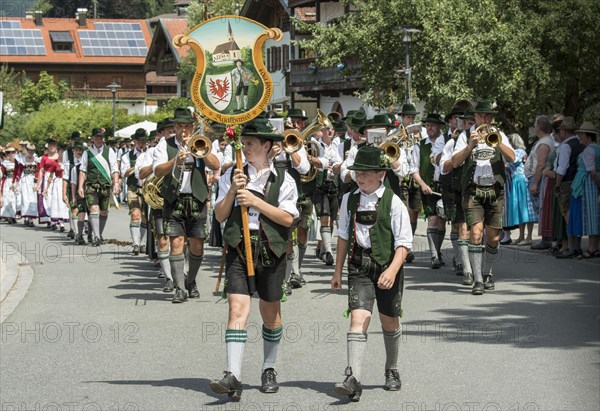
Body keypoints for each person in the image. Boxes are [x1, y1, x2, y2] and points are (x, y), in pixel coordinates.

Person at [211, 119, 298, 401]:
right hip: (239, 246)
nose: (244, 147)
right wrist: (235, 191)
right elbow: (220, 215)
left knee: (270, 313)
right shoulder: (232, 175)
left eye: (250, 143)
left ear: (267, 146)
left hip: (271, 249)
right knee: (237, 308)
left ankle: (269, 367)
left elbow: (287, 218)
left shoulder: (285, 179)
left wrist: (256, 201)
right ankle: (232, 374)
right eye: (243, 142)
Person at [331, 146, 412, 401]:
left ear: (381, 174)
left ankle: (392, 369)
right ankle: (353, 378)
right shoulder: (349, 199)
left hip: (388, 265)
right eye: (357, 173)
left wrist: (391, 270)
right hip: (359, 266)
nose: (360, 178)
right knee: (358, 319)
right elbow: (343, 236)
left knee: (389, 321)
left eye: (365, 173)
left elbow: (404, 243)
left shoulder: (394, 201)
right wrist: (337, 271)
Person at [153, 108, 221, 303]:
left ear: (192, 127)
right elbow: (158, 171)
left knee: (197, 246)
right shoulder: (163, 145)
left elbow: (215, 165)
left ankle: (191, 281)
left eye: (187, 126)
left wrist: (200, 151)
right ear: (174, 127)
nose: (184, 130)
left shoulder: (201, 142)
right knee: (176, 243)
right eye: (180, 126)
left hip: (197, 198)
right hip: (174, 199)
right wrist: (175, 161)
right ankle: (180, 288)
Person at [452, 100, 515, 295]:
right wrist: (471, 144)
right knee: (476, 234)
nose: (484, 119)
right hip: (473, 191)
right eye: (481, 116)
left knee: (494, 238)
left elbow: (512, 158)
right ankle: (478, 280)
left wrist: (496, 141)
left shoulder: (500, 134)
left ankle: (487, 273)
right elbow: (455, 162)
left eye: (488, 116)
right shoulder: (464, 136)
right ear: (475, 117)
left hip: (495, 190)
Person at [440, 109, 476, 284]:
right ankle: (464, 264)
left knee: (476, 232)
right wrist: (458, 158)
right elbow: (444, 167)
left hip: (477, 190)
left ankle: (471, 263)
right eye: (469, 124)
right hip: (458, 189)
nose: (473, 127)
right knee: (460, 228)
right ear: (463, 125)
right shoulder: (452, 142)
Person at [409, 113, 447, 268]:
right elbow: (414, 169)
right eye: (428, 125)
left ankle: (437, 251)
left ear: (439, 127)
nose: (429, 128)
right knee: (432, 219)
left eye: (433, 125)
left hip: (444, 186)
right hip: (428, 187)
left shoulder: (447, 142)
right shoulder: (420, 145)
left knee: (442, 221)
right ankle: (434, 256)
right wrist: (422, 184)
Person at [78, 128, 121, 246]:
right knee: (93, 209)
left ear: (103, 139)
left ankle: (99, 234)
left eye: (100, 137)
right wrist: (80, 186)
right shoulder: (87, 152)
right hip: (91, 185)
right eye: (96, 137)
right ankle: (96, 236)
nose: (98, 139)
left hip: (105, 186)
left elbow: (114, 169)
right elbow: (83, 170)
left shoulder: (110, 151)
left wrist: (116, 183)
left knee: (104, 212)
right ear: (92, 138)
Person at [568, 121, 600, 259]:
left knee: (592, 216)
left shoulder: (589, 151)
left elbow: (592, 172)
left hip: (589, 184)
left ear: (588, 136)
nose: (579, 136)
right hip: (591, 182)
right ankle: (595, 247)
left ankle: (593, 248)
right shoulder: (597, 148)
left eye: (581, 134)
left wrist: (598, 185)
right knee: (595, 215)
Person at [554, 117, 584, 258]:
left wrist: (557, 185)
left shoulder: (566, 146)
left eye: (561, 131)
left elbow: (562, 168)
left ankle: (572, 248)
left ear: (564, 131)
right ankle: (576, 247)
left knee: (567, 214)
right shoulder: (580, 143)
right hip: (579, 181)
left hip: (567, 182)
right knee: (576, 214)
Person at [528, 115, 556, 250]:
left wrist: (534, 183)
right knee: (541, 208)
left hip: (538, 179)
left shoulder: (544, 143)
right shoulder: (543, 141)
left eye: (535, 124)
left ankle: (546, 239)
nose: (534, 126)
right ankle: (546, 238)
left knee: (542, 208)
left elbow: (541, 165)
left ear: (538, 127)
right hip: (536, 178)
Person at [505, 133, 538, 245]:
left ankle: (528, 236)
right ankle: (521, 236)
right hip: (516, 180)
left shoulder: (519, 152)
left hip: (521, 180)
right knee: (519, 209)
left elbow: (511, 162)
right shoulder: (517, 152)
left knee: (526, 209)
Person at [121, 128, 149, 255]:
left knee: (145, 217)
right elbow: (124, 173)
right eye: (140, 141)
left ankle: (142, 243)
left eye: (144, 141)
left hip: (147, 188)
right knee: (135, 214)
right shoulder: (127, 156)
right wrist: (136, 167)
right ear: (135, 142)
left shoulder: (151, 153)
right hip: (133, 187)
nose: (142, 144)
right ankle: (136, 244)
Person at [35, 138, 61, 227]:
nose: (52, 147)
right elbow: (41, 171)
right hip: (47, 178)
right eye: (50, 146)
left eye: (54, 145)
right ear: (48, 147)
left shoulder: (60, 156)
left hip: (58, 177)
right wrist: (38, 184)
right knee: (48, 198)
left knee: (58, 198)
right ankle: (52, 220)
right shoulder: (44, 157)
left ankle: (59, 218)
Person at [1, 146, 23, 223]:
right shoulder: (4, 163)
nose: (12, 154)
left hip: (16, 182)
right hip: (8, 181)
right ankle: (9, 216)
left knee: (15, 199)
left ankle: (14, 215)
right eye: (10, 153)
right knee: (8, 199)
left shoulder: (18, 162)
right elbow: (3, 175)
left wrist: (16, 182)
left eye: (13, 152)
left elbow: (19, 173)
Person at [19, 143, 38, 226]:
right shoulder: (22, 160)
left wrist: (36, 181)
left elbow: (38, 171)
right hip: (25, 180)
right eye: (29, 151)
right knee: (25, 199)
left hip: (33, 180)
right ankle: (27, 217)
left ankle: (31, 218)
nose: (31, 153)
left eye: (32, 151)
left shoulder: (36, 160)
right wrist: (16, 183)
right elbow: (18, 172)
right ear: (27, 151)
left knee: (33, 199)